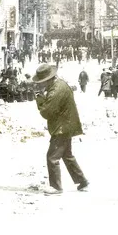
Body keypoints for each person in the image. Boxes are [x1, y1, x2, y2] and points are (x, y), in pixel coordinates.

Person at [33, 63, 89, 195]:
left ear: (48, 79)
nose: (40, 84)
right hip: (66, 125)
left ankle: (56, 187)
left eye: (41, 82)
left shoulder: (56, 90)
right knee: (67, 155)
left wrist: (39, 98)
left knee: (52, 157)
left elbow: (46, 112)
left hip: (62, 127)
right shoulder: (59, 85)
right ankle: (82, 181)